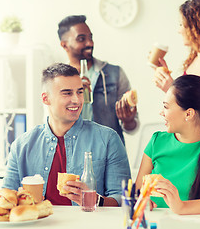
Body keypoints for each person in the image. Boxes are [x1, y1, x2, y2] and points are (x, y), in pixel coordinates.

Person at [2, 63, 131, 206]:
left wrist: (94, 200)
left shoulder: (108, 139)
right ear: (46, 99)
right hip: (38, 226)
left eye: (80, 92)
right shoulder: (21, 146)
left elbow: (124, 200)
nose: (76, 100)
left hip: (89, 227)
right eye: (67, 93)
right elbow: (6, 197)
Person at [136, 75, 200, 215]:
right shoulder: (156, 141)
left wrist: (182, 207)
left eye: (166, 107)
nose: (161, 112)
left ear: (189, 114)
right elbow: (136, 193)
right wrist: (141, 200)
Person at [57, 15, 139, 144]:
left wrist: (128, 120)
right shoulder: (57, 80)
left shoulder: (115, 73)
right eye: (81, 39)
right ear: (64, 45)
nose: (90, 43)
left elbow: (132, 128)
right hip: (71, 153)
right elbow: (53, 124)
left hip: (110, 155)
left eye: (91, 37)